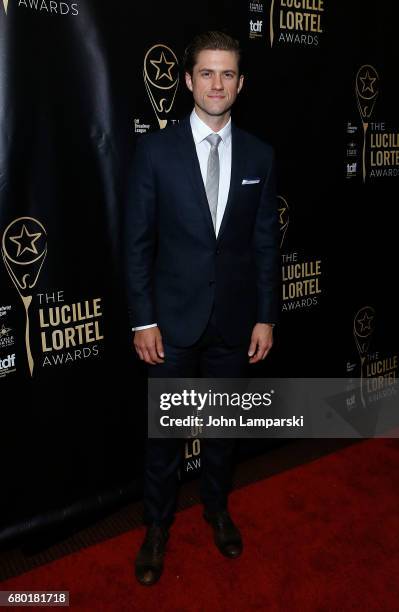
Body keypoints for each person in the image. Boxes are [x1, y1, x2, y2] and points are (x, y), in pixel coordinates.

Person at [125, 30, 281, 586]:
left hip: (235, 323)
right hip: (169, 323)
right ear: (188, 80)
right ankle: (157, 527)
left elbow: (265, 242)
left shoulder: (261, 154)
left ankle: (217, 509)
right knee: (165, 433)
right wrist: (142, 317)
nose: (218, 83)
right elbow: (138, 241)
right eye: (207, 73)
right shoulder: (155, 150)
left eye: (228, 74)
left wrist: (266, 315)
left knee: (221, 429)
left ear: (241, 84)